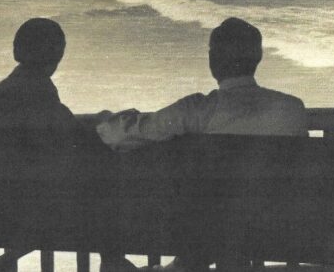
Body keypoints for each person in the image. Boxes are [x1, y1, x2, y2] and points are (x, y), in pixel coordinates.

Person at [96, 17, 307, 271]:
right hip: (276, 228)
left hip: (202, 231)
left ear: (213, 61)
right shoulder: (292, 110)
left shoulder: (197, 110)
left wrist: (105, 120)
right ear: (257, 57)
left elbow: (120, 135)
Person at [0, 18, 132, 272]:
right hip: (33, 212)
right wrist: (104, 122)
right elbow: (74, 138)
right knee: (102, 180)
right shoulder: (39, 91)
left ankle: (10, 257)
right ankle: (111, 262)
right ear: (57, 55)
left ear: (17, 50)